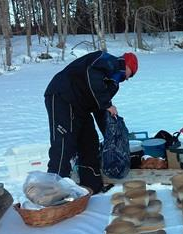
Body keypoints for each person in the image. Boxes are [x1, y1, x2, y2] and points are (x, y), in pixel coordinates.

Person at [44, 51, 138, 194]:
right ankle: (53, 191)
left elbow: (99, 108)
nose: (128, 78)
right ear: (127, 65)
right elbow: (92, 73)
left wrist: (110, 135)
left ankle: (91, 186)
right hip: (63, 95)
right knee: (64, 143)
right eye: (130, 73)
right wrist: (107, 104)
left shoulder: (113, 83)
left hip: (82, 106)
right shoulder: (109, 61)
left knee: (90, 142)